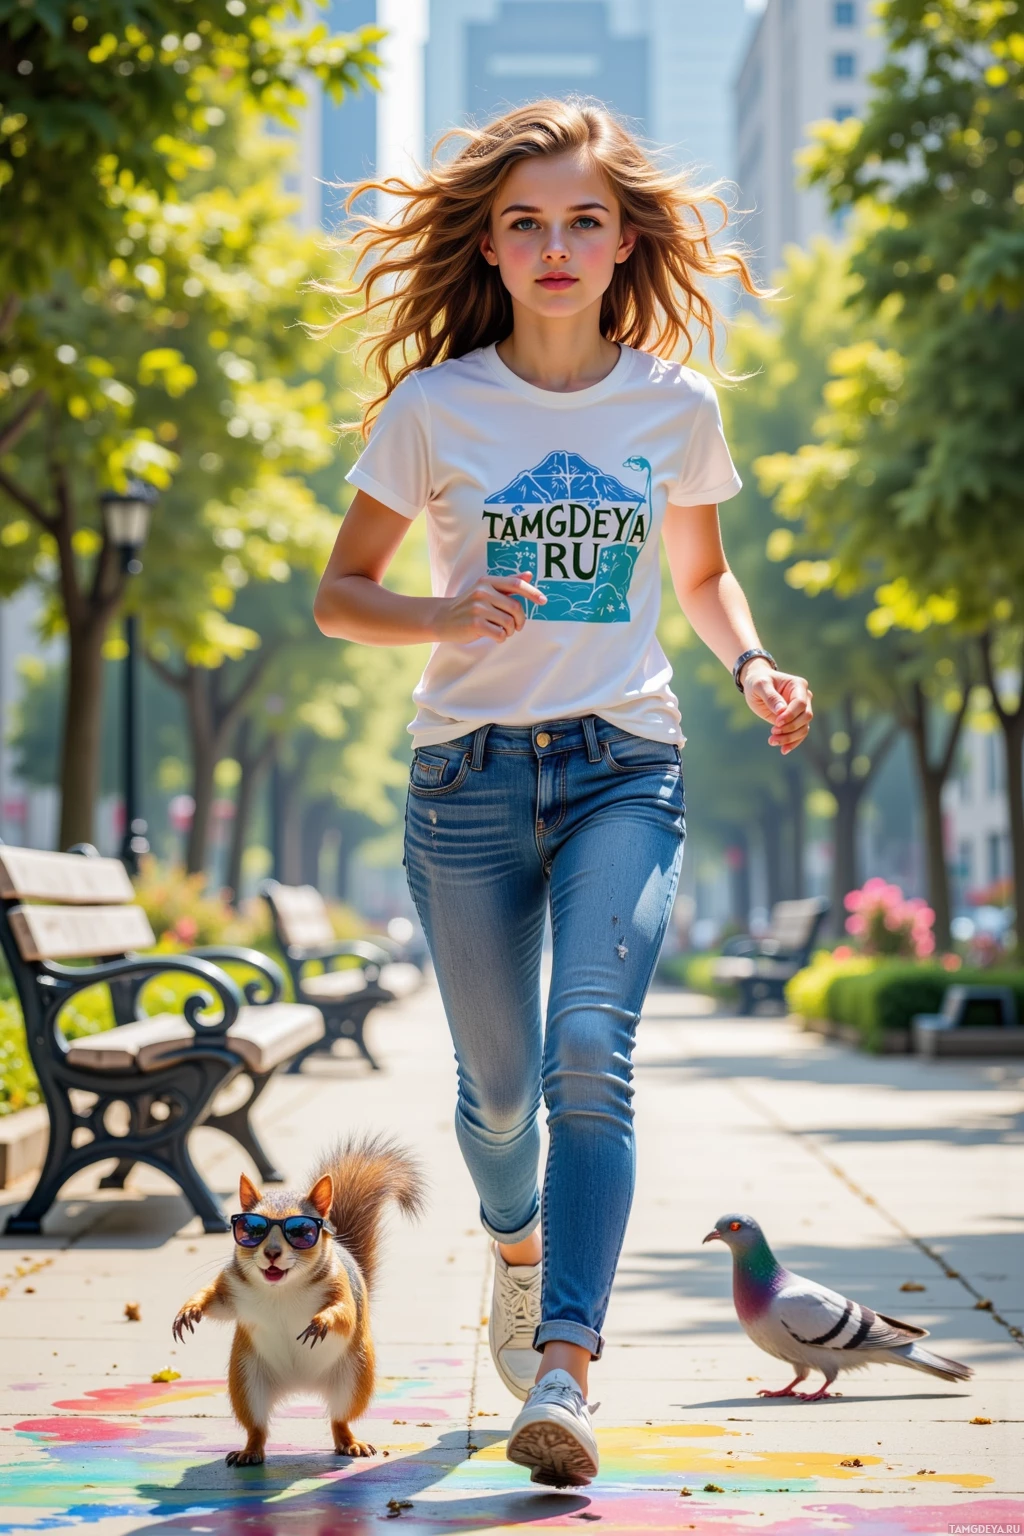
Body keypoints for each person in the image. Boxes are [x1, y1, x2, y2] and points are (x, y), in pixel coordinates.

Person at [313, 99, 813, 1489]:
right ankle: (519, 1246)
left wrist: (756, 665)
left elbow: (702, 579)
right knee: (497, 1099)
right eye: (525, 220)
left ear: (622, 239)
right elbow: (339, 596)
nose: (554, 243)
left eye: (583, 218)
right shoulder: (435, 405)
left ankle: (566, 1368)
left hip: (622, 767)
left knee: (591, 1050)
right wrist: (443, 612)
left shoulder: (673, 403)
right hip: (464, 782)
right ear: (488, 239)